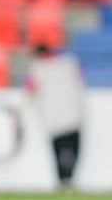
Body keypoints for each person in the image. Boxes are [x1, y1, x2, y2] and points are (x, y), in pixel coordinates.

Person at [24, 46, 84, 189]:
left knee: (59, 153)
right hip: (72, 115)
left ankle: (63, 182)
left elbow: (30, 91)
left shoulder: (36, 69)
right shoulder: (68, 64)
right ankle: (68, 180)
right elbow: (80, 81)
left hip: (53, 119)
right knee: (74, 151)